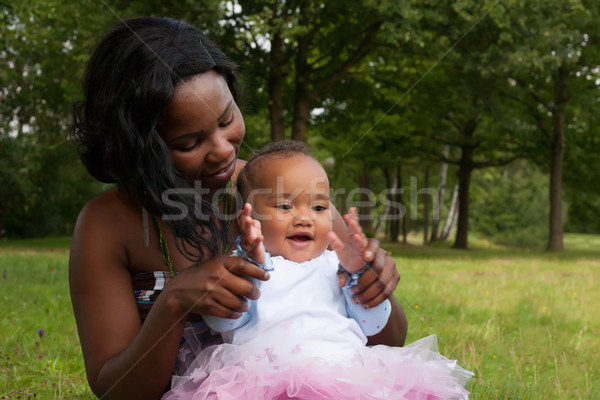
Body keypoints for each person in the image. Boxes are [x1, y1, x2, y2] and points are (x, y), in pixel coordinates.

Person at [68, 17, 407, 400]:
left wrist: (373, 289)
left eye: (227, 119)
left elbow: (388, 342)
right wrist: (175, 302)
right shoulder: (106, 226)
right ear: (140, 149)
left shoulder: (279, 191)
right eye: (190, 142)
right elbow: (114, 389)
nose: (224, 149)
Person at [162, 141, 473, 399]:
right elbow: (222, 321)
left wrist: (358, 276)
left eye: (319, 207)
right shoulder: (248, 268)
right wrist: (249, 264)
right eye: (285, 206)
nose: (305, 218)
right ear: (249, 219)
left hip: (348, 378)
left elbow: (372, 325)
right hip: (266, 384)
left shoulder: (336, 268)